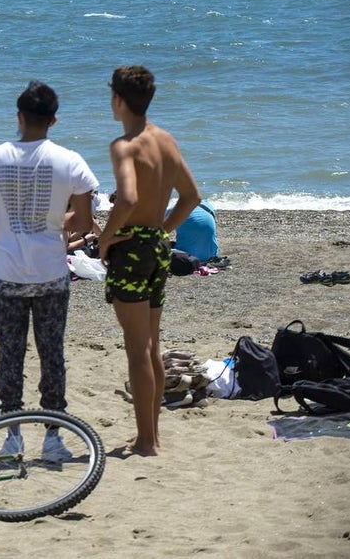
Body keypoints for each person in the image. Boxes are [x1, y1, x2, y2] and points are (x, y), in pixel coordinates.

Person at [0, 81, 99, 460]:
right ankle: (54, 436)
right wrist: (54, 218)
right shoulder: (69, 160)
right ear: (54, 119)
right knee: (51, 354)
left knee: (10, 354)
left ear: (19, 116)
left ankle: (12, 434)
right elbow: (85, 221)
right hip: (50, 273)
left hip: (5, 272)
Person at [98, 65, 201, 457]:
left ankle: (146, 442)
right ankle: (151, 435)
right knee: (152, 345)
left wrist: (105, 239)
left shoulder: (124, 145)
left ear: (119, 100)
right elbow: (192, 196)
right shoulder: (167, 140)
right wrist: (161, 228)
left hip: (133, 252)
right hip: (157, 247)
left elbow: (126, 200)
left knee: (137, 349)